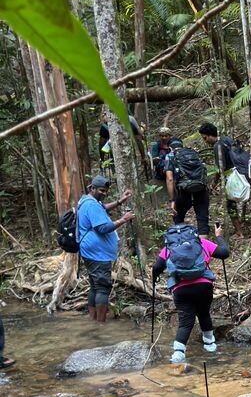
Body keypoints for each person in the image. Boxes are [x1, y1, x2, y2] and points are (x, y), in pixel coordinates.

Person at [151, 221, 230, 364]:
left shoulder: (168, 249)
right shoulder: (202, 243)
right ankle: (210, 347)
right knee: (204, 314)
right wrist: (219, 236)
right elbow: (224, 253)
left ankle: (178, 354)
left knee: (185, 323)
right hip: (204, 287)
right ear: (193, 233)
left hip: (181, 289)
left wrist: (154, 278)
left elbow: (156, 267)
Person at [76, 175, 135, 323]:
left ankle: (93, 320)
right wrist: (123, 219)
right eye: (102, 190)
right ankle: (100, 325)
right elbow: (103, 228)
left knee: (95, 286)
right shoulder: (91, 205)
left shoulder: (88, 201)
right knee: (102, 287)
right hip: (97, 254)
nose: (104, 193)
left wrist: (121, 201)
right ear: (92, 188)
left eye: (106, 191)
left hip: (90, 251)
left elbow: (103, 208)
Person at [165, 137, 211, 234]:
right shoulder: (194, 153)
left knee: (178, 219)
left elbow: (170, 179)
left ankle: (183, 244)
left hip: (183, 193)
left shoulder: (170, 157)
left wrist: (172, 200)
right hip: (201, 190)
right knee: (202, 222)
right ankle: (204, 247)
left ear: (170, 148)